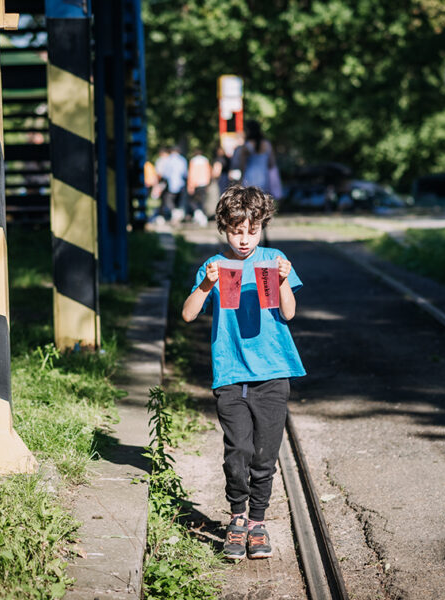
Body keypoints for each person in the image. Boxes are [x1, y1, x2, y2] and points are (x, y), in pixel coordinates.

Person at [181, 185, 306, 560]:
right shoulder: (214, 267)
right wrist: (206, 285)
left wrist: (283, 280)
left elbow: (289, 313)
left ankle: (257, 523)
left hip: (272, 372)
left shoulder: (275, 259)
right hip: (231, 373)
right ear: (223, 228)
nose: (244, 239)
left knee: (264, 456)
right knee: (238, 453)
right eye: (237, 230)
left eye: (252, 230)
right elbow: (188, 314)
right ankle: (236, 518)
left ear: (262, 226)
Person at [234, 120, 276, 194]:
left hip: (249, 178)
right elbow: (271, 163)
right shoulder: (267, 144)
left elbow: (242, 166)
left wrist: (240, 181)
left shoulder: (247, 146)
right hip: (264, 178)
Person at [155, 146, 188, 222]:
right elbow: (185, 173)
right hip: (181, 185)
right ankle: (178, 214)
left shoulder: (168, 160)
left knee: (168, 201)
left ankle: (175, 213)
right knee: (178, 201)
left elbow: (165, 174)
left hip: (170, 185)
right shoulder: (182, 160)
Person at [186, 148, 211, 225]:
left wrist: (190, 185)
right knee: (202, 200)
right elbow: (208, 172)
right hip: (204, 183)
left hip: (196, 183)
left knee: (193, 201)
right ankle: (202, 215)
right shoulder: (205, 160)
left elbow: (191, 174)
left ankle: (198, 214)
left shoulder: (193, 161)